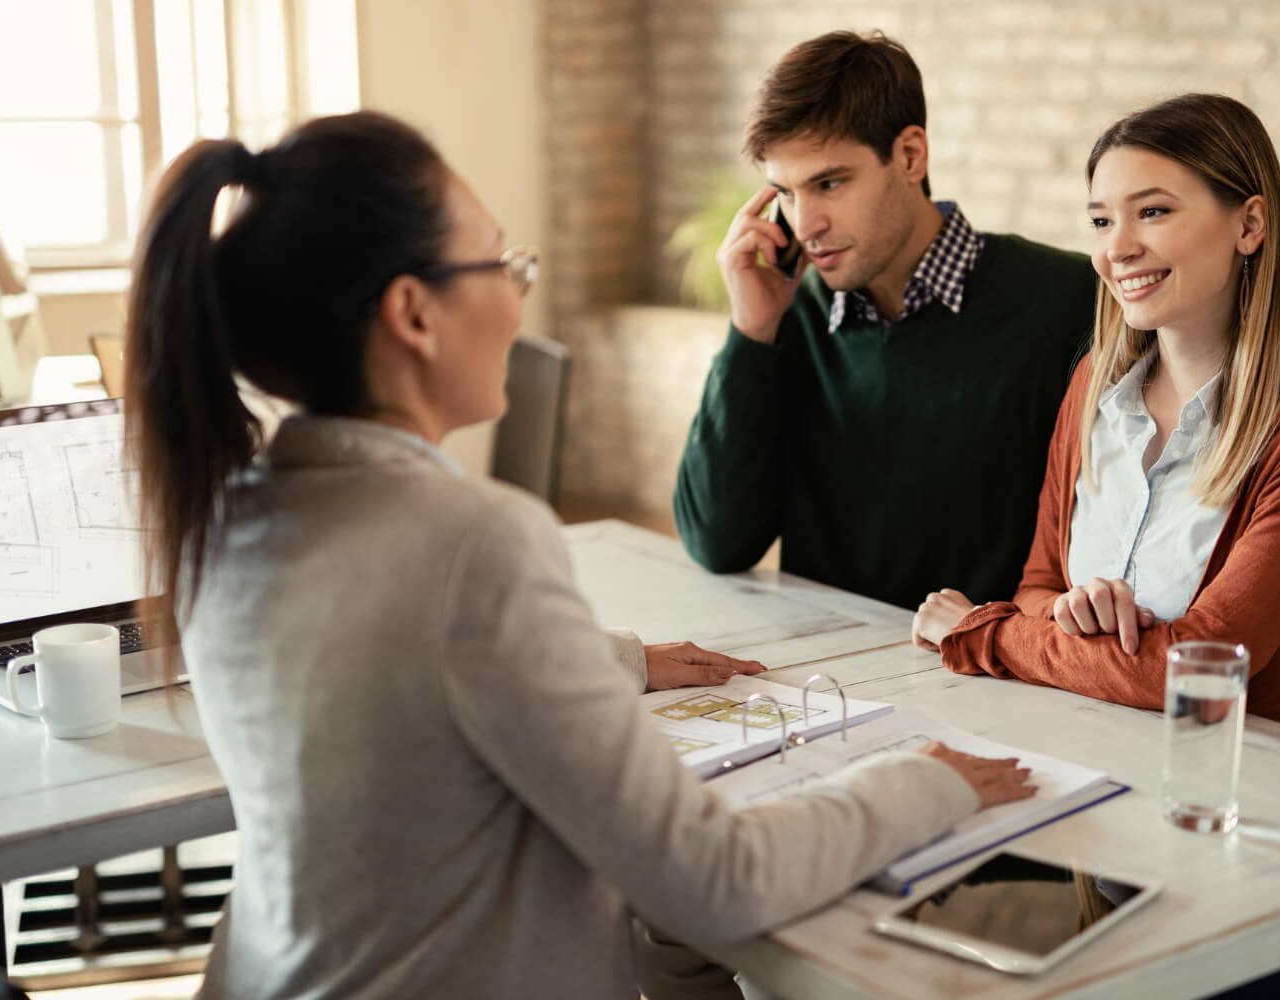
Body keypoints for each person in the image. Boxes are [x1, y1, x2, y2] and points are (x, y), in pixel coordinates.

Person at [120, 111, 1035, 999]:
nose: (520, 292)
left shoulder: (225, 515)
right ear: (414, 314)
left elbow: (389, 662)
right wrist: (930, 783)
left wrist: (621, 659)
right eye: (502, 261)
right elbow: (717, 876)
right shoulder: (475, 540)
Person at [673, 29, 1280, 624]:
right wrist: (750, 334)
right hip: (837, 677)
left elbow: (1229, 434)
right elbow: (718, 540)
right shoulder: (791, 315)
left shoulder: (1071, 299)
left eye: (829, 183)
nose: (804, 222)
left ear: (910, 154)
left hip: (1010, 676)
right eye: (783, 191)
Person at [911, 93, 1280, 998]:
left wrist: (984, 635)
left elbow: (1202, 673)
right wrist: (1066, 616)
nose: (1116, 247)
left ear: (1250, 223)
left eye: (1154, 211)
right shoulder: (1097, 383)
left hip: (1268, 872)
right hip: (1095, 827)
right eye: (1101, 219)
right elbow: (1042, 584)